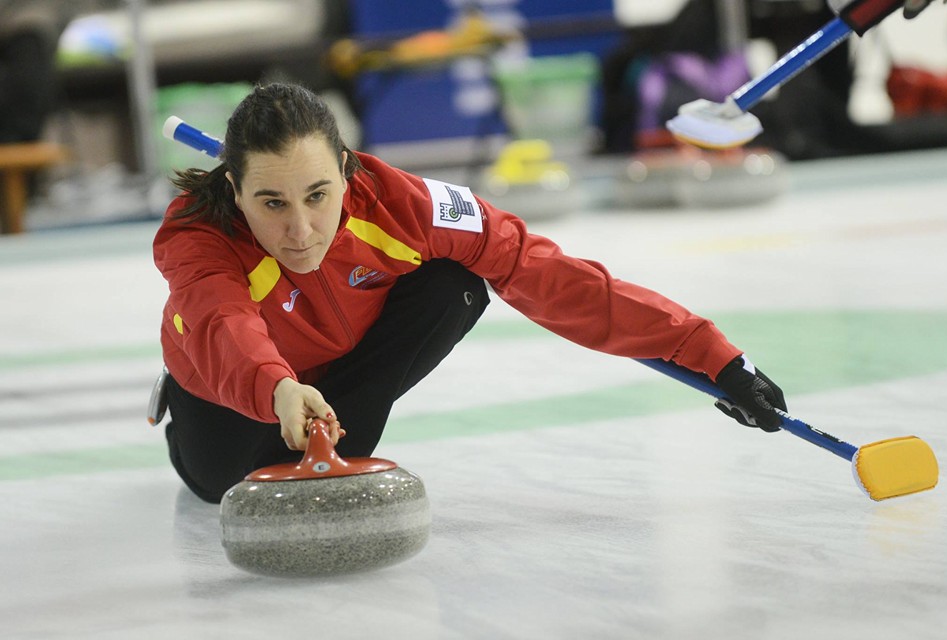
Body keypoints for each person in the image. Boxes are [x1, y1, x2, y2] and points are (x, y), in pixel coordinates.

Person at [153, 83, 787, 504]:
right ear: (233, 188)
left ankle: (338, 441)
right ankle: (202, 414)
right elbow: (220, 321)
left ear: (348, 171)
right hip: (232, 389)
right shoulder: (197, 235)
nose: (300, 230)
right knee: (225, 491)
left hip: (343, 372)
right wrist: (275, 386)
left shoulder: (406, 205)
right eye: (272, 202)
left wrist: (712, 354)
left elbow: (551, 275)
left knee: (454, 284)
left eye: (318, 195)